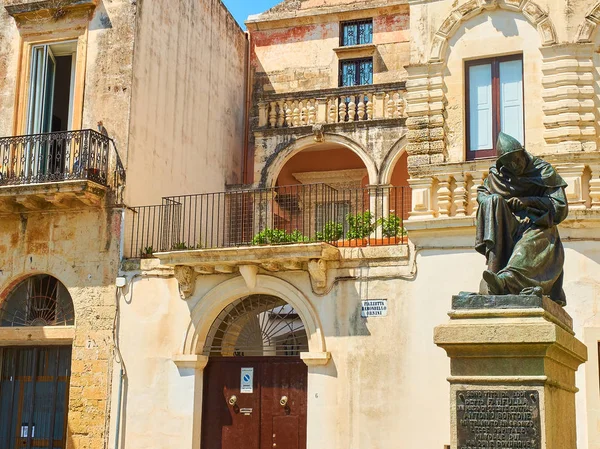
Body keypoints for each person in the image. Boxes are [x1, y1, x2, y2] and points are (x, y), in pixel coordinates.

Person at [476, 133, 568, 306]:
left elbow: (560, 207)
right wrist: (498, 203)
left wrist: (528, 202)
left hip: (537, 225)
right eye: (508, 163)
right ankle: (493, 270)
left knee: (528, 244)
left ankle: (503, 281)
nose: (514, 165)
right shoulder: (498, 176)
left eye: (516, 160)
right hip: (507, 227)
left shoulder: (543, 171)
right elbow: (482, 194)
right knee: (493, 201)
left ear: (523, 154)